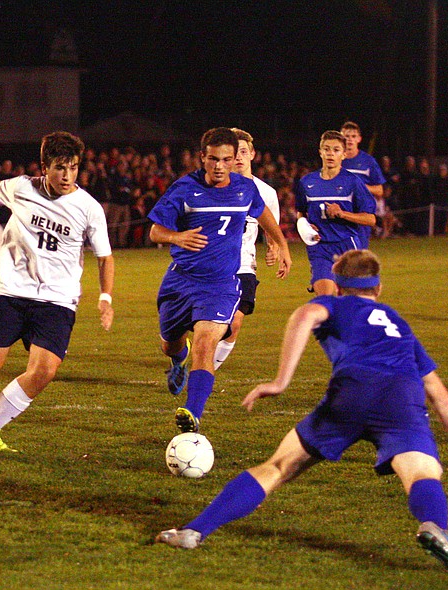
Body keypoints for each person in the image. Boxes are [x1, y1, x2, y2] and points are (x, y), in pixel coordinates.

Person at [156, 249, 448, 575]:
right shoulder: (398, 324)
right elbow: (440, 394)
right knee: (422, 475)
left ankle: (194, 532)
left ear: (335, 284)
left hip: (352, 394)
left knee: (277, 467)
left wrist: (280, 381)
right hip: (402, 400)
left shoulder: (332, 305)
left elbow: (305, 315)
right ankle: (435, 527)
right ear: (378, 287)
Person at [0, 131, 115, 452]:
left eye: (74, 168)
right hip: (13, 294)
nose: (67, 176)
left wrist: (105, 298)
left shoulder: (88, 208)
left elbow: (105, 257)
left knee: (44, 371)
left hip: (58, 301)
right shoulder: (23, 187)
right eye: (60, 168)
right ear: (44, 167)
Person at [148, 127, 291, 434]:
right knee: (169, 344)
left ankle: (193, 413)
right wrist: (177, 236)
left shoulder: (245, 188)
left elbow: (264, 213)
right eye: (213, 159)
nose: (219, 166)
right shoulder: (184, 189)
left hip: (221, 284)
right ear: (203, 157)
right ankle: (178, 358)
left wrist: (281, 243)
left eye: (226, 159)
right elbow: (155, 231)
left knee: (205, 343)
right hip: (181, 281)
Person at [212, 128, 281, 371]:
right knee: (208, 324)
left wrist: (274, 250)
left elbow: (272, 231)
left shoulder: (267, 194)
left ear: (252, 154)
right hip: (212, 265)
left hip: (244, 265)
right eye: (234, 152)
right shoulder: (214, 187)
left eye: (243, 151)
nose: (239, 157)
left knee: (236, 323)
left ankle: (205, 371)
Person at [295, 130, 376, 296]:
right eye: (326, 149)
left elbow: (371, 219)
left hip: (347, 246)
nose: (330, 154)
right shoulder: (306, 182)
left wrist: (342, 214)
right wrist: (304, 226)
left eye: (336, 150)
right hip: (320, 247)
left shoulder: (353, 182)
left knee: (351, 300)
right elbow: (301, 213)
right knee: (325, 298)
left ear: (344, 155)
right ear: (320, 152)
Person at [340, 122, 386, 248]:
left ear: (359, 139)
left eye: (353, 136)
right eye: (346, 136)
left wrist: (359, 187)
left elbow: (380, 190)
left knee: (359, 252)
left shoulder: (368, 161)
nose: (349, 139)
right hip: (340, 210)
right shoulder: (335, 160)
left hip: (361, 212)